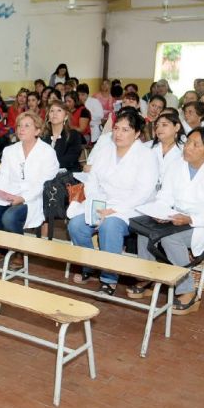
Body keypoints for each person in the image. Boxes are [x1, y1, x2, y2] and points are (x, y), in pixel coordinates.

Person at [127, 128, 204, 314]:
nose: (188, 148)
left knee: (171, 239)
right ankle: (148, 276)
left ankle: (188, 292)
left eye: (196, 145)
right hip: (174, 217)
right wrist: (160, 212)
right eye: (188, 142)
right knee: (146, 229)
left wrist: (191, 219)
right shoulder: (177, 164)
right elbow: (165, 196)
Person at [67, 107, 158, 295]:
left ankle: (109, 278)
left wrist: (115, 210)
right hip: (101, 203)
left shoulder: (146, 155)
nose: (118, 134)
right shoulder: (105, 151)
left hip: (131, 208)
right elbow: (92, 181)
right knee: (76, 225)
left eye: (125, 130)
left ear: (137, 133)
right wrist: (95, 204)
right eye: (116, 128)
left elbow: (143, 192)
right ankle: (90, 266)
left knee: (110, 226)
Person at [0, 112, 59, 267]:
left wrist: (23, 198)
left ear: (37, 131)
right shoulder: (9, 150)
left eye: (27, 126)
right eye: (19, 126)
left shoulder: (47, 152)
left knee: (9, 217)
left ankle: (20, 251)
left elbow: (45, 183)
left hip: (34, 198)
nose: (21, 129)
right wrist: (0, 193)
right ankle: (1, 249)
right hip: (10, 194)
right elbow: (3, 176)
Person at [41, 100, 83, 173]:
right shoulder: (42, 136)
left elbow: (71, 159)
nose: (55, 114)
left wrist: (47, 166)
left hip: (67, 175)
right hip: (44, 173)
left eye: (59, 110)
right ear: (48, 116)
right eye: (52, 111)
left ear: (66, 116)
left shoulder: (74, 135)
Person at [148, 112, 185, 188]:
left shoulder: (185, 149)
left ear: (177, 127)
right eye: (157, 126)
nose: (159, 129)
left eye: (164, 125)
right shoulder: (147, 147)